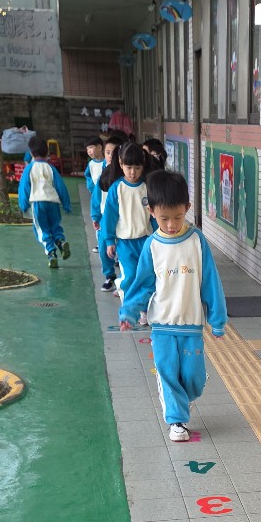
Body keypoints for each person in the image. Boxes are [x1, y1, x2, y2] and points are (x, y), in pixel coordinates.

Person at [119, 169, 227, 442]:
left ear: (187, 208)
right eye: (164, 218)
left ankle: (181, 398)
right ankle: (177, 421)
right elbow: (142, 284)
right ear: (151, 211)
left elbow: (210, 281)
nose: (171, 224)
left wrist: (217, 319)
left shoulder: (197, 241)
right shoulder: (152, 246)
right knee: (168, 374)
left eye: (178, 217)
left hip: (191, 325)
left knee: (193, 378)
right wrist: (129, 312)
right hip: (162, 326)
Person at [100, 141, 155, 304]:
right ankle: (128, 303)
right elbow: (109, 217)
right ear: (121, 163)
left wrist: (160, 235)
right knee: (130, 276)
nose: (133, 172)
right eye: (129, 167)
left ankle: (143, 307)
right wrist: (109, 241)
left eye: (137, 168)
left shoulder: (147, 187)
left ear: (143, 166)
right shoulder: (116, 189)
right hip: (125, 243)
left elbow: (154, 216)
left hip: (146, 241)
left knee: (147, 275)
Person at [18, 136, 71, 268]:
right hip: (53, 202)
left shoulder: (29, 168)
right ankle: (61, 242)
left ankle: (51, 253)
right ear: (47, 153)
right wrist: (66, 204)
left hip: (38, 203)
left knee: (42, 229)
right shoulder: (51, 168)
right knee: (55, 226)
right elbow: (60, 186)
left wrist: (23, 204)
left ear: (31, 153)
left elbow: (24, 187)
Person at [91, 134, 122, 291]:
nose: (111, 156)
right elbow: (96, 198)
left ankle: (124, 281)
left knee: (123, 251)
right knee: (104, 249)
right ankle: (110, 275)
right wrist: (96, 217)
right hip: (105, 218)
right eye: (108, 152)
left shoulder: (126, 176)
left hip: (124, 220)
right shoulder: (103, 175)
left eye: (114, 153)